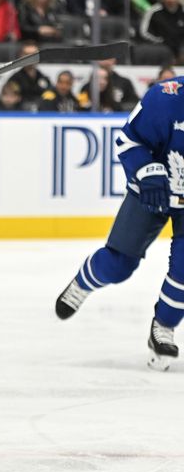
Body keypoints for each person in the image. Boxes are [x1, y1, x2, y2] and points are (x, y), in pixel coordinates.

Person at [55, 75, 184, 371]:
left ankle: (163, 327)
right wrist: (148, 171)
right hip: (153, 192)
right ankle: (83, 282)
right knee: (119, 265)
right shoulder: (165, 98)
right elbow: (129, 140)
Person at [140, 0, 184, 65]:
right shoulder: (153, 11)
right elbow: (144, 32)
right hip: (160, 48)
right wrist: (160, 42)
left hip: (181, 49)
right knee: (163, 52)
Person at [5, 42, 51, 111]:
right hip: (21, 115)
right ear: (21, 56)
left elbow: (52, 96)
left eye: (34, 55)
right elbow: (8, 101)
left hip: (41, 116)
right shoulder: (14, 80)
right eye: (27, 54)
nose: (30, 58)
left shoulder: (44, 78)